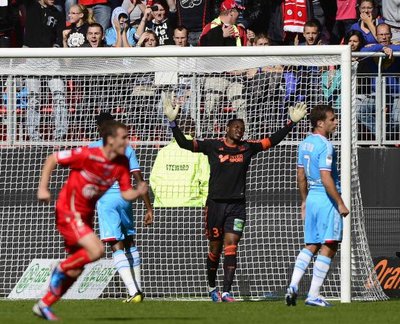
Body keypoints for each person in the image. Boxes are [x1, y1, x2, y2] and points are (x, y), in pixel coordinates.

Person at [163, 93, 307, 302]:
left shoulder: (247, 148)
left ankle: (227, 291)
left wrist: (291, 123)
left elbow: (272, 141)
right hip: (215, 205)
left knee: (232, 246)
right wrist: (173, 123)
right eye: (236, 127)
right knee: (215, 249)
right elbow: (185, 145)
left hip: (237, 206)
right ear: (227, 129)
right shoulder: (213, 146)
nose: (240, 130)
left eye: (243, 128)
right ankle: (212, 288)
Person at [32, 120, 148, 320]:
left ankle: (44, 304)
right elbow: (53, 158)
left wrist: (138, 192)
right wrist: (43, 188)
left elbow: (126, 193)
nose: (128, 141)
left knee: (78, 268)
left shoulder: (121, 164)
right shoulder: (87, 154)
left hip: (86, 214)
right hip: (68, 209)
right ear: (110, 140)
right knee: (97, 250)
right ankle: (61, 267)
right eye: (124, 137)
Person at [285, 105, 349, 307]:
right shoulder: (325, 145)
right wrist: (339, 202)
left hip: (312, 198)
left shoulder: (304, 143)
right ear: (320, 123)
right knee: (329, 244)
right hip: (325, 199)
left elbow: (300, 176)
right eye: (332, 119)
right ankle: (313, 294)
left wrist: (304, 200)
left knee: (311, 245)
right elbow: (325, 177)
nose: (336, 122)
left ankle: (293, 286)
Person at [88, 112, 153, 303]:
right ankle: (138, 290)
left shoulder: (92, 148)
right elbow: (139, 179)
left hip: (107, 200)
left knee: (116, 244)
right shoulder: (126, 146)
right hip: (126, 198)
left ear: (99, 128)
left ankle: (134, 292)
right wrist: (149, 208)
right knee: (130, 241)